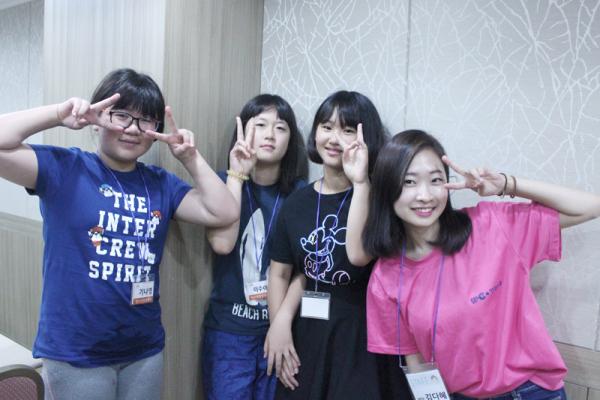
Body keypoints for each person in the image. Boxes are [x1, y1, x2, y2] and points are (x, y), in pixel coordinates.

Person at [0, 68, 239, 400]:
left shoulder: (160, 183)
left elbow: (224, 212)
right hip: (76, 351)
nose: (133, 128)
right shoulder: (66, 168)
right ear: (98, 119)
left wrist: (190, 158)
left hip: (143, 349)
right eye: (121, 115)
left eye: (146, 120)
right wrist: (57, 115)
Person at [346, 129, 600, 399]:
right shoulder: (386, 278)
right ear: (387, 189)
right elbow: (416, 361)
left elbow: (590, 206)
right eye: (409, 182)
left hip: (529, 392)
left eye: (436, 180)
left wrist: (505, 184)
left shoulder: (492, 226)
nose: (425, 195)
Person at [265, 90, 409, 399]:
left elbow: (359, 256)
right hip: (307, 331)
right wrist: (279, 327)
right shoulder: (297, 203)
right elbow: (281, 272)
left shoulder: (379, 200)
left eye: (347, 130)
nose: (334, 138)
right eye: (327, 127)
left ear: (367, 138)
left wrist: (361, 182)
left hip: (361, 337)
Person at [202, 94, 307, 400]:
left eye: (280, 127)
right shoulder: (223, 184)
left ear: (291, 141)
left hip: (283, 331)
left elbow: (308, 268)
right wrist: (237, 174)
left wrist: (281, 323)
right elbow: (222, 244)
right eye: (260, 124)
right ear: (244, 131)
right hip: (229, 331)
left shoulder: (302, 195)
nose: (270, 134)